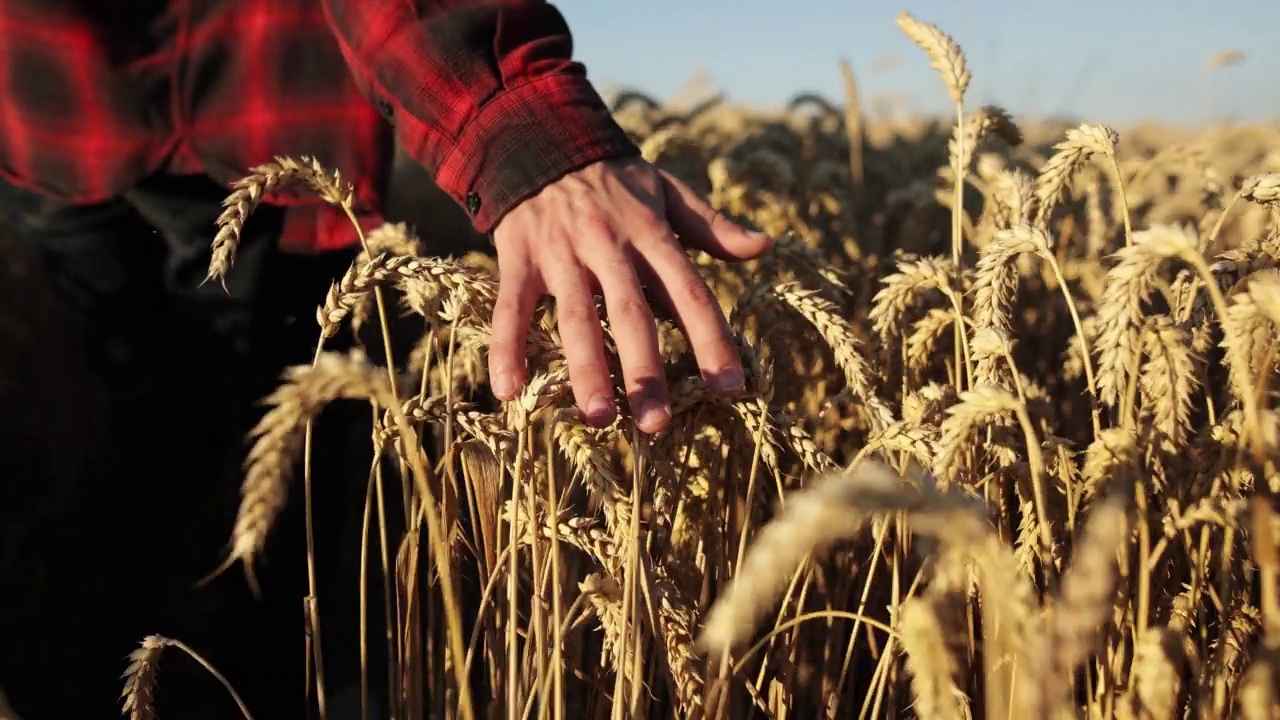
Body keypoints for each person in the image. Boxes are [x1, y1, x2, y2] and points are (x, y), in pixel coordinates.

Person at [0, 1, 770, 718]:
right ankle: (262, 681)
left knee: (156, 422)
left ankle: (81, 680)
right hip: (254, 103)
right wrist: (515, 120)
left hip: (50, 104)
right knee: (289, 446)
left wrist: (518, 127)